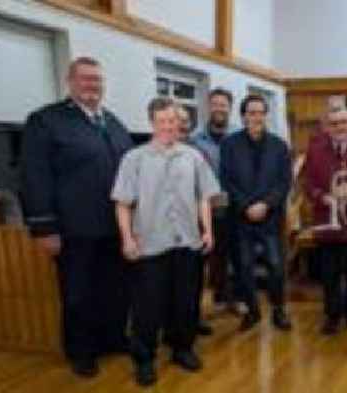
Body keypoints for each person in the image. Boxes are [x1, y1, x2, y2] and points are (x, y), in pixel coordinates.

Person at [21, 56, 133, 377]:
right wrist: (44, 228)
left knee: (116, 289)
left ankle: (112, 338)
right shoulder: (45, 121)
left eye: (97, 80)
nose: (92, 85)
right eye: (85, 79)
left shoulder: (113, 122)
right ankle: (81, 351)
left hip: (114, 228)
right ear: (69, 82)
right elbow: (34, 176)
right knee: (78, 293)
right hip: (74, 230)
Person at [112, 97, 218, 386]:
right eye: (163, 122)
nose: (169, 127)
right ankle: (144, 359)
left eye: (173, 121)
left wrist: (207, 230)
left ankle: (182, 349)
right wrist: (126, 239)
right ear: (152, 123)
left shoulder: (193, 156)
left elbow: (204, 196)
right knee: (148, 307)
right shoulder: (134, 158)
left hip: (188, 242)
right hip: (150, 244)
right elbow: (122, 203)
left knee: (186, 303)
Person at [219, 94, 293, 332]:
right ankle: (252, 311)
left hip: (270, 217)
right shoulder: (229, 144)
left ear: (266, 115)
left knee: (275, 266)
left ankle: (278, 310)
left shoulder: (279, 146)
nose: (256, 117)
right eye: (251, 112)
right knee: (244, 266)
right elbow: (226, 180)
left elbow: (284, 182)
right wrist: (246, 206)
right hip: (240, 218)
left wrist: (266, 205)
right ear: (243, 116)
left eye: (261, 112)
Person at [304, 105, 347, 335]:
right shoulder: (315, 150)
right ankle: (332, 315)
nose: (339, 127)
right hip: (327, 223)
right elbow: (308, 184)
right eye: (334, 123)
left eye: (343, 122)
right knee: (329, 275)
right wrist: (322, 197)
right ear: (327, 126)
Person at [191, 88, 243, 329]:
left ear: (229, 108)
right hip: (206, 206)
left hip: (235, 203)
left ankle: (233, 299)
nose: (219, 108)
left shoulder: (238, 135)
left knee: (236, 253)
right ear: (208, 107)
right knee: (209, 256)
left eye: (223, 104)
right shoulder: (195, 139)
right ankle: (210, 302)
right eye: (215, 104)